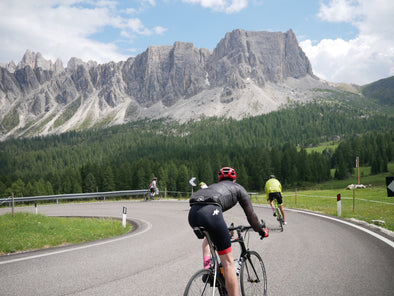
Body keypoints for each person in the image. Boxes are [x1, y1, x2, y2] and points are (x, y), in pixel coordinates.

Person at [188, 167, 269, 296]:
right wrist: (261, 230)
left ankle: (208, 269)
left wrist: (224, 230)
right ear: (234, 179)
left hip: (193, 214)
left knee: (208, 239)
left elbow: (211, 211)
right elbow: (251, 215)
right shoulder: (238, 188)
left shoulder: (213, 187)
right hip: (211, 214)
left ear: (219, 179)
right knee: (228, 263)